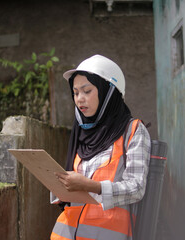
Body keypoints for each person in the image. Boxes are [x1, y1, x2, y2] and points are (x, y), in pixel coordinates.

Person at [50, 54, 151, 240]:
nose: (79, 99)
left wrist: (92, 186)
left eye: (87, 91)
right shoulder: (80, 132)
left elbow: (136, 188)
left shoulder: (133, 130)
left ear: (108, 92)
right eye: (75, 92)